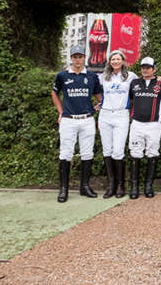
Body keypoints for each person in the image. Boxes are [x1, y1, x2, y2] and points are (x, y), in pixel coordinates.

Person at [50, 43, 103, 203]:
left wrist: (103, 105)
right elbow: (54, 93)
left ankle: (84, 187)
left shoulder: (92, 76)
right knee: (65, 154)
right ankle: (63, 189)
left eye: (80, 56)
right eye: (75, 57)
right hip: (68, 120)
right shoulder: (62, 75)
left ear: (84, 58)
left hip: (87, 119)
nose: (78, 59)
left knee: (87, 154)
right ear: (71, 58)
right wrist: (60, 111)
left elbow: (99, 95)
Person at [127, 57, 161, 199]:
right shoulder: (134, 83)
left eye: (148, 67)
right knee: (135, 153)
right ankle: (134, 187)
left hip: (154, 124)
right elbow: (130, 100)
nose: (145, 70)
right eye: (143, 67)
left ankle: (148, 186)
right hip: (137, 124)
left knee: (152, 153)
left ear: (154, 68)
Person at [97, 49, 136, 198]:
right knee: (107, 150)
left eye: (118, 59)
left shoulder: (130, 76)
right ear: (109, 61)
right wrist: (99, 102)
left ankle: (121, 185)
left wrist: (158, 78)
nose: (115, 61)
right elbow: (95, 91)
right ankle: (111, 185)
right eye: (113, 59)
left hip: (121, 115)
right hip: (105, 114)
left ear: (123, 61)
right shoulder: (103, 77)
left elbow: (144, 82)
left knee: (118, 151)